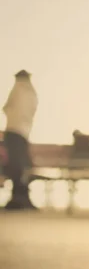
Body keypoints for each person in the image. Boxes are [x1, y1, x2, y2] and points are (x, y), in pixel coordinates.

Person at [2, 70, 39, 211]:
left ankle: (18, 198)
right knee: (20, 167)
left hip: (14, 132)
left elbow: (7, 108)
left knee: (16, 167)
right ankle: (21, 198)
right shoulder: (31, 93)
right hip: (24, 133)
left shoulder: (18, 90)